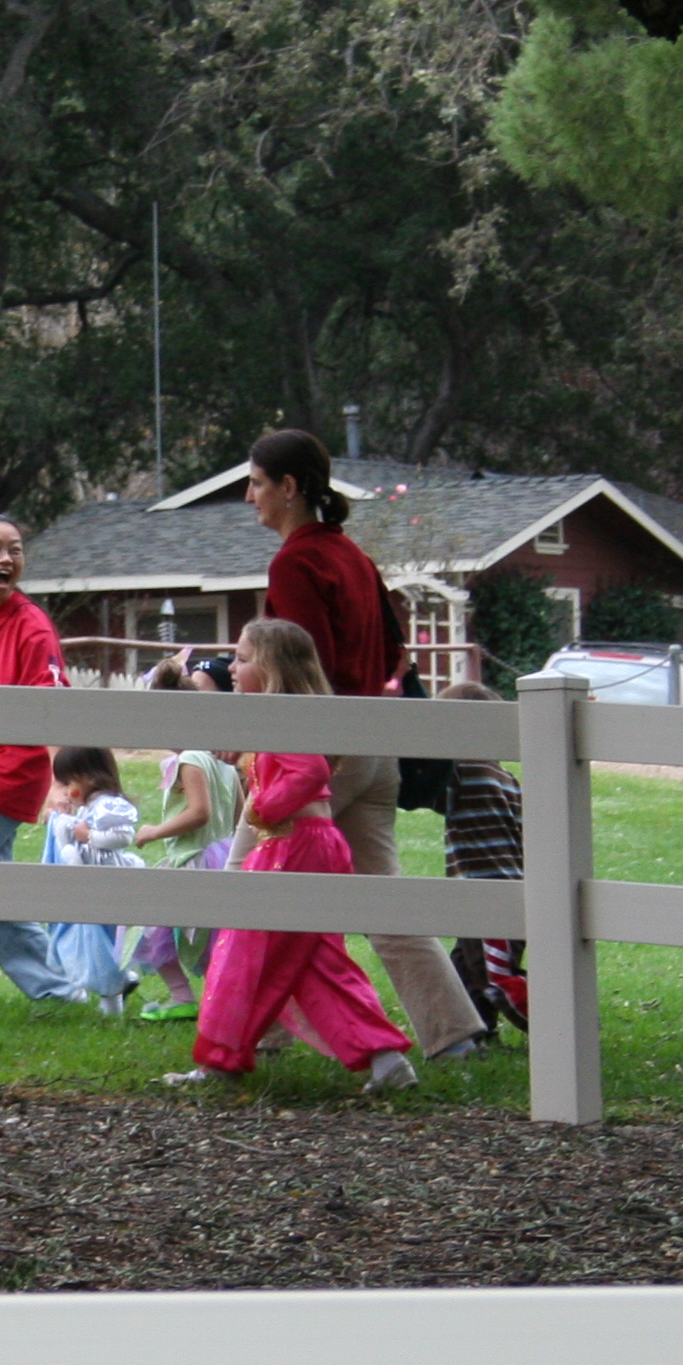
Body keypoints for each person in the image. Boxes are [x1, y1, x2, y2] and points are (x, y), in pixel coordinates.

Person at [241, 427, 490, 1062]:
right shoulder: (352, 556)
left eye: (257, 483)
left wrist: (296, 760)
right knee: (384, 901)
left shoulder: (296, 563)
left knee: (242, 886)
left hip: (323, 757)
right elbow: (396, 655)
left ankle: (246, 1038)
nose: (249, 496)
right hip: (378, 750)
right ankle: (455, 1036)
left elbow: (306, 673)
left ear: (289, 488)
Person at [168, 621, 416, 1093]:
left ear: (274, 668)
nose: (231, 667)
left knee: (243, 951)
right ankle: (384, 1059)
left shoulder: (285, 717)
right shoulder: (276, 717)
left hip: (295, 845)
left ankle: (221, 1061)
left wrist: (263, 808)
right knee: (313, 961)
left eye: (243, 659)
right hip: (299, 844)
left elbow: (310, 771)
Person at [0, 513, 85, 1005]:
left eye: (16, 550)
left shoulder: (31, 626)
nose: (6, 559)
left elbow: (53, 707)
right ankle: (58, 991)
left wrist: (59, 783)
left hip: (12, 770)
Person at [128, 657, 243, 1020]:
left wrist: (153, 832)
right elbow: (240, 814)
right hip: (225, 854)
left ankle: (185, 997)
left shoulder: (191, 759)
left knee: (148, 927)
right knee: (208, 936)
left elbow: (199, 813)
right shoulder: (222, 761)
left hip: (196, 858)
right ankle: (218, 999)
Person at [435, 678, 529, 1038]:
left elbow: (427, 794)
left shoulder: (464, 773)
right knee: (465, 964)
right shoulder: (506, 776)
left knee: (492, 976)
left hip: (486, 893)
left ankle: (551, 1023)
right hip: (508, 887)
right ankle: (475, 1031)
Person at [37, 744, 142, 1009]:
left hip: (106, 880)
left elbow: (122, 836)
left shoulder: (107, 805)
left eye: (68, 783)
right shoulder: (89, 806)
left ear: (89, 778)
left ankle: (115, 986)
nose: (65, 791)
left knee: (102, 936)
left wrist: (89, 836)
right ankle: (115, 986)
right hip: (91, 881)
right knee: (95, 936)